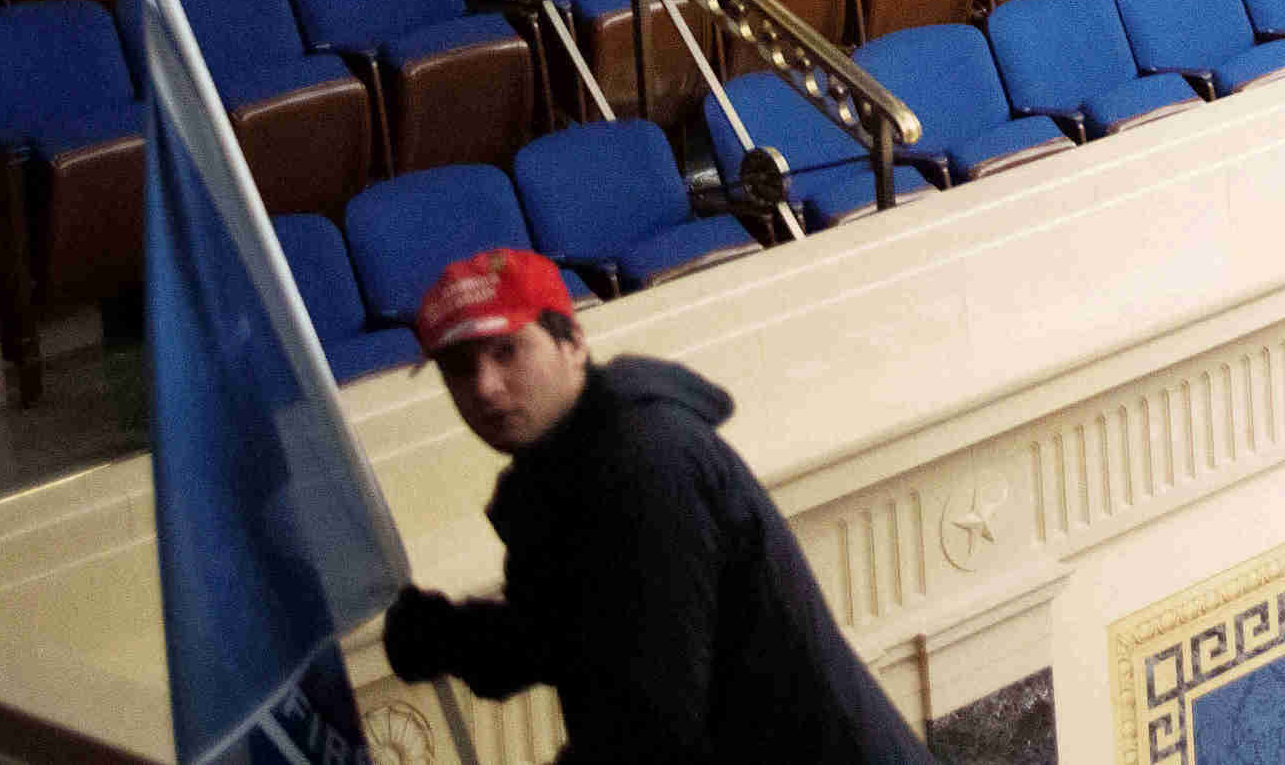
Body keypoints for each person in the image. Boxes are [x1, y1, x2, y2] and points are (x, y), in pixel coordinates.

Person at [384, 248, 938, 765]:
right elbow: (576, 634)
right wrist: (452, 639)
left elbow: (646, 728)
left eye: (507, 351)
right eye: (459, 367)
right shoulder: (564, 470)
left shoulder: (644, 466)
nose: (484, 387)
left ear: (572, 341)